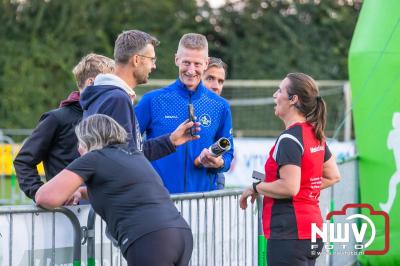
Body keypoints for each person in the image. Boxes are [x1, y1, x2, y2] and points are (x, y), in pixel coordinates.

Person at [35, 114, 193, 266]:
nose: (78, 148)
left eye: (79, 142)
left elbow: (45, 197)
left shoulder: (94, 158)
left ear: (86, 141)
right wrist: (80, 192)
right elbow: (117, 190)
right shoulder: (134, 155)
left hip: (149, 238)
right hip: (180, 233)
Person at [239, 73, 341, 266]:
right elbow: (333, 175)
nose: (274, 95)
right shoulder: (314, 133)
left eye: (279, 90)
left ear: (293, 99)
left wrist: (255, 187)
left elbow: (289, 188)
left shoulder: (290, 139)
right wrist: (304, 190)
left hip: (289, 234)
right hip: (310, 231)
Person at [135, 33, 234, 193]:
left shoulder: (220, 106)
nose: (191, 70)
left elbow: (228, 153)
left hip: (202, 204)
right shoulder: (152, 100)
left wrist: (219, 163)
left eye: (197, 64)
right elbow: (127, 145)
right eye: (186, 62)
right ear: (176, 60)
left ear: (206, 63)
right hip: (159, 202)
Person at [80, 30, 198, 162]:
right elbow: (124, 160)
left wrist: (171, 140)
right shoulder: (117, 99)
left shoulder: (105, 95)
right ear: (136, 60)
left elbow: (133, 151)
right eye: (152, 59)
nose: (154, 66)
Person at [14, 53, 115, 201]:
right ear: (90, 83)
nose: (115, 89)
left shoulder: (109, 118)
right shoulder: (56, 118)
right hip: (65, 215)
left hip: (103, 212)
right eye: (110, 83)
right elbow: (24, 161)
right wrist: (39, 194)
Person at [202, 57, 228, 189]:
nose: (216, 86)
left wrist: (220, 163)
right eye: (210, 78)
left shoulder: (222, 110)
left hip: (213, 181)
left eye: (220, 81)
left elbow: (229, 154)